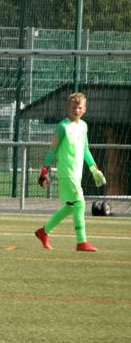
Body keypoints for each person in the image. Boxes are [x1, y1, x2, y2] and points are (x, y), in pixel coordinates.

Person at [35, 92, 105, 252]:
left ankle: (44, 232)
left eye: (80, 107)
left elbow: (85, 149)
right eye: (74, 107)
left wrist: (94, 169)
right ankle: (81, 242)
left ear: (84, 109)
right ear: (68, 108)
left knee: (71, 206)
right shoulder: (62, 127)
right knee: (80, 203)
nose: (77, 110)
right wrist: (44, 171)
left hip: (77, 173)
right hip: (66, 172)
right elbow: (52, 150)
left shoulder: (84, 126)